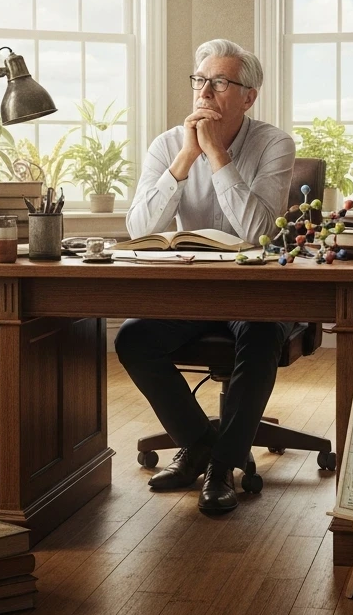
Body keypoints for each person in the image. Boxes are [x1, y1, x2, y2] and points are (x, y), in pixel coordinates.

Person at [116, 39, 297, 516]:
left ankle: (222, 466)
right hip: (193, 292)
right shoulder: (166, 145)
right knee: (133, 338)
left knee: (261, 334)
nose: (204, 91)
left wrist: (216, 154)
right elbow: (139, 229)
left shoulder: (274, 144)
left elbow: (258, 232)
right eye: (200, 80)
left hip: (258, 292)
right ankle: (197, 445)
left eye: (219, 82)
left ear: (248, 97)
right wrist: (184, 159)